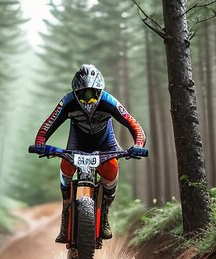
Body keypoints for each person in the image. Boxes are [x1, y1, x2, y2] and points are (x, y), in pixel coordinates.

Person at [34, 64, 146, 243]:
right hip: (77, 143)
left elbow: (133, 124)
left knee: (111, 170)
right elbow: (48, 125)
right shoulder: (67, 101)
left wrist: (138, 144)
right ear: (75, 93)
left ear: (100, 92)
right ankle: (66, 214)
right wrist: (40, 143)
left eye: (93, 95)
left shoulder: (109, 101)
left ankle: (104, 214)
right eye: (83, 94)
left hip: (105, 144)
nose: (88, 100)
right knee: (66, 166)